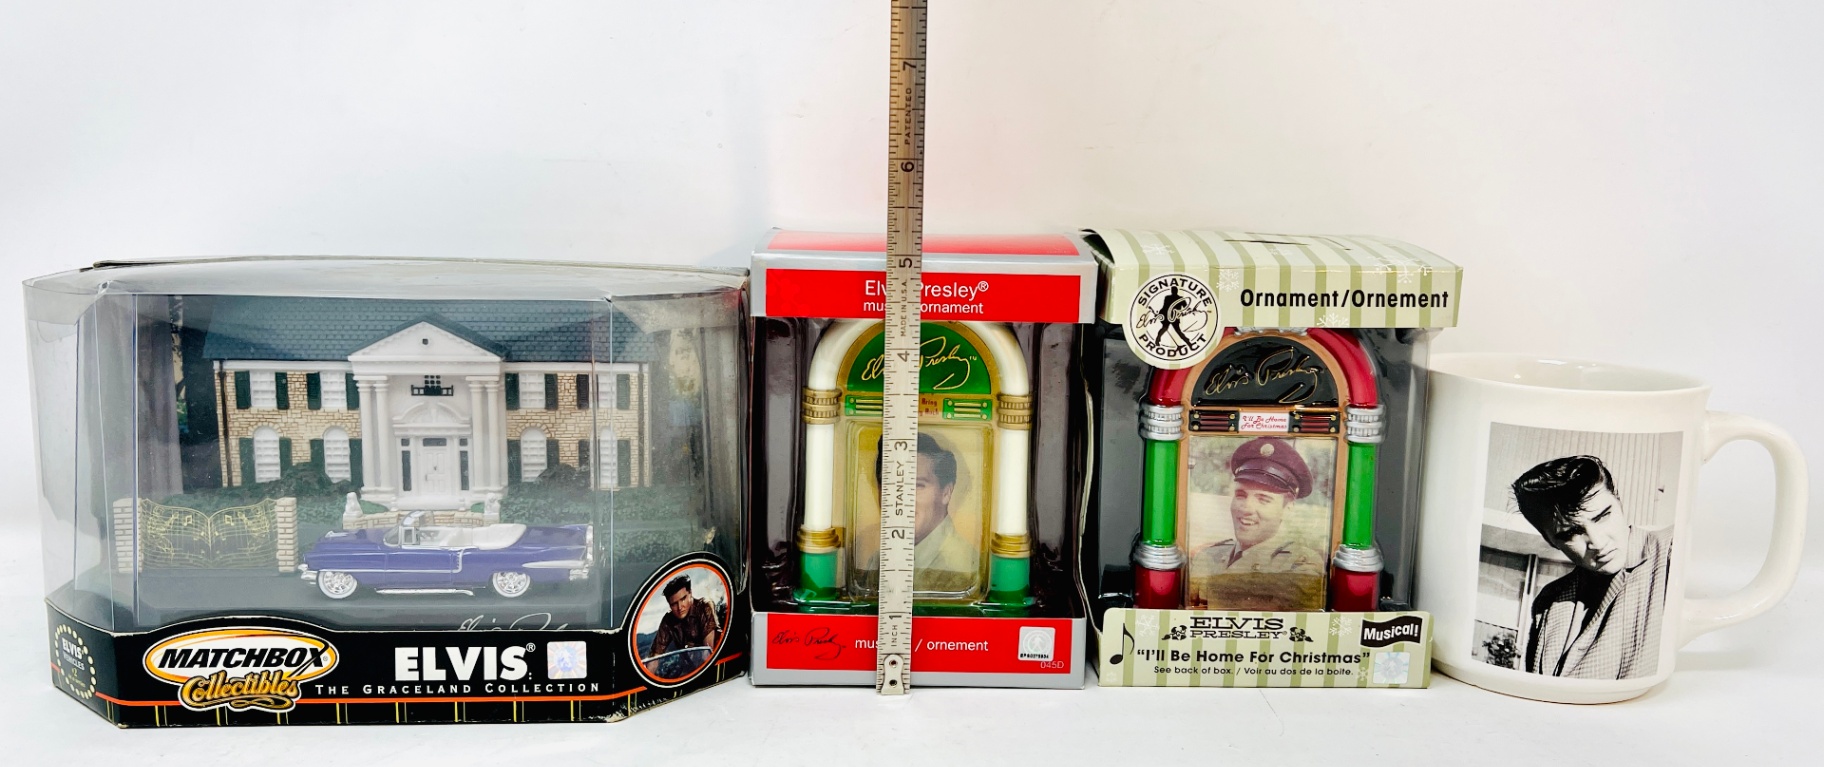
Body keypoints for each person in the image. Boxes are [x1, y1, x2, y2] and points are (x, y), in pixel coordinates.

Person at [1513, 455, 1671, 679]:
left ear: (1618, 501)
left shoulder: (1671, 553)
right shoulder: (1548, 601)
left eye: (1602, 516)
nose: (1597, 542)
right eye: (1571, 533)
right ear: (1550, 541)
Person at [1187, 436, 1326, 608]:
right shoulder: (1207, 556)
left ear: (1288, 507)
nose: (1247, 508)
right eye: (1241, 495)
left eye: (1263, 499)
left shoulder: (1300, 564)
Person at [869, 433, 979, 595]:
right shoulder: (878, 560)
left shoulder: (962, 571)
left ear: (946, 493)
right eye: (890, 485)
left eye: (917, 486)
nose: (901, 499)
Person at [645, 575, 721, 677]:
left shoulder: (704, 606)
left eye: (683, 599)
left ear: (690, 593)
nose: (680, 607)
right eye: (674, 604)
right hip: (690, 668)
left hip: (716, 665)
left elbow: (707, 653)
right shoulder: (668, 620)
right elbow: (655, 656)